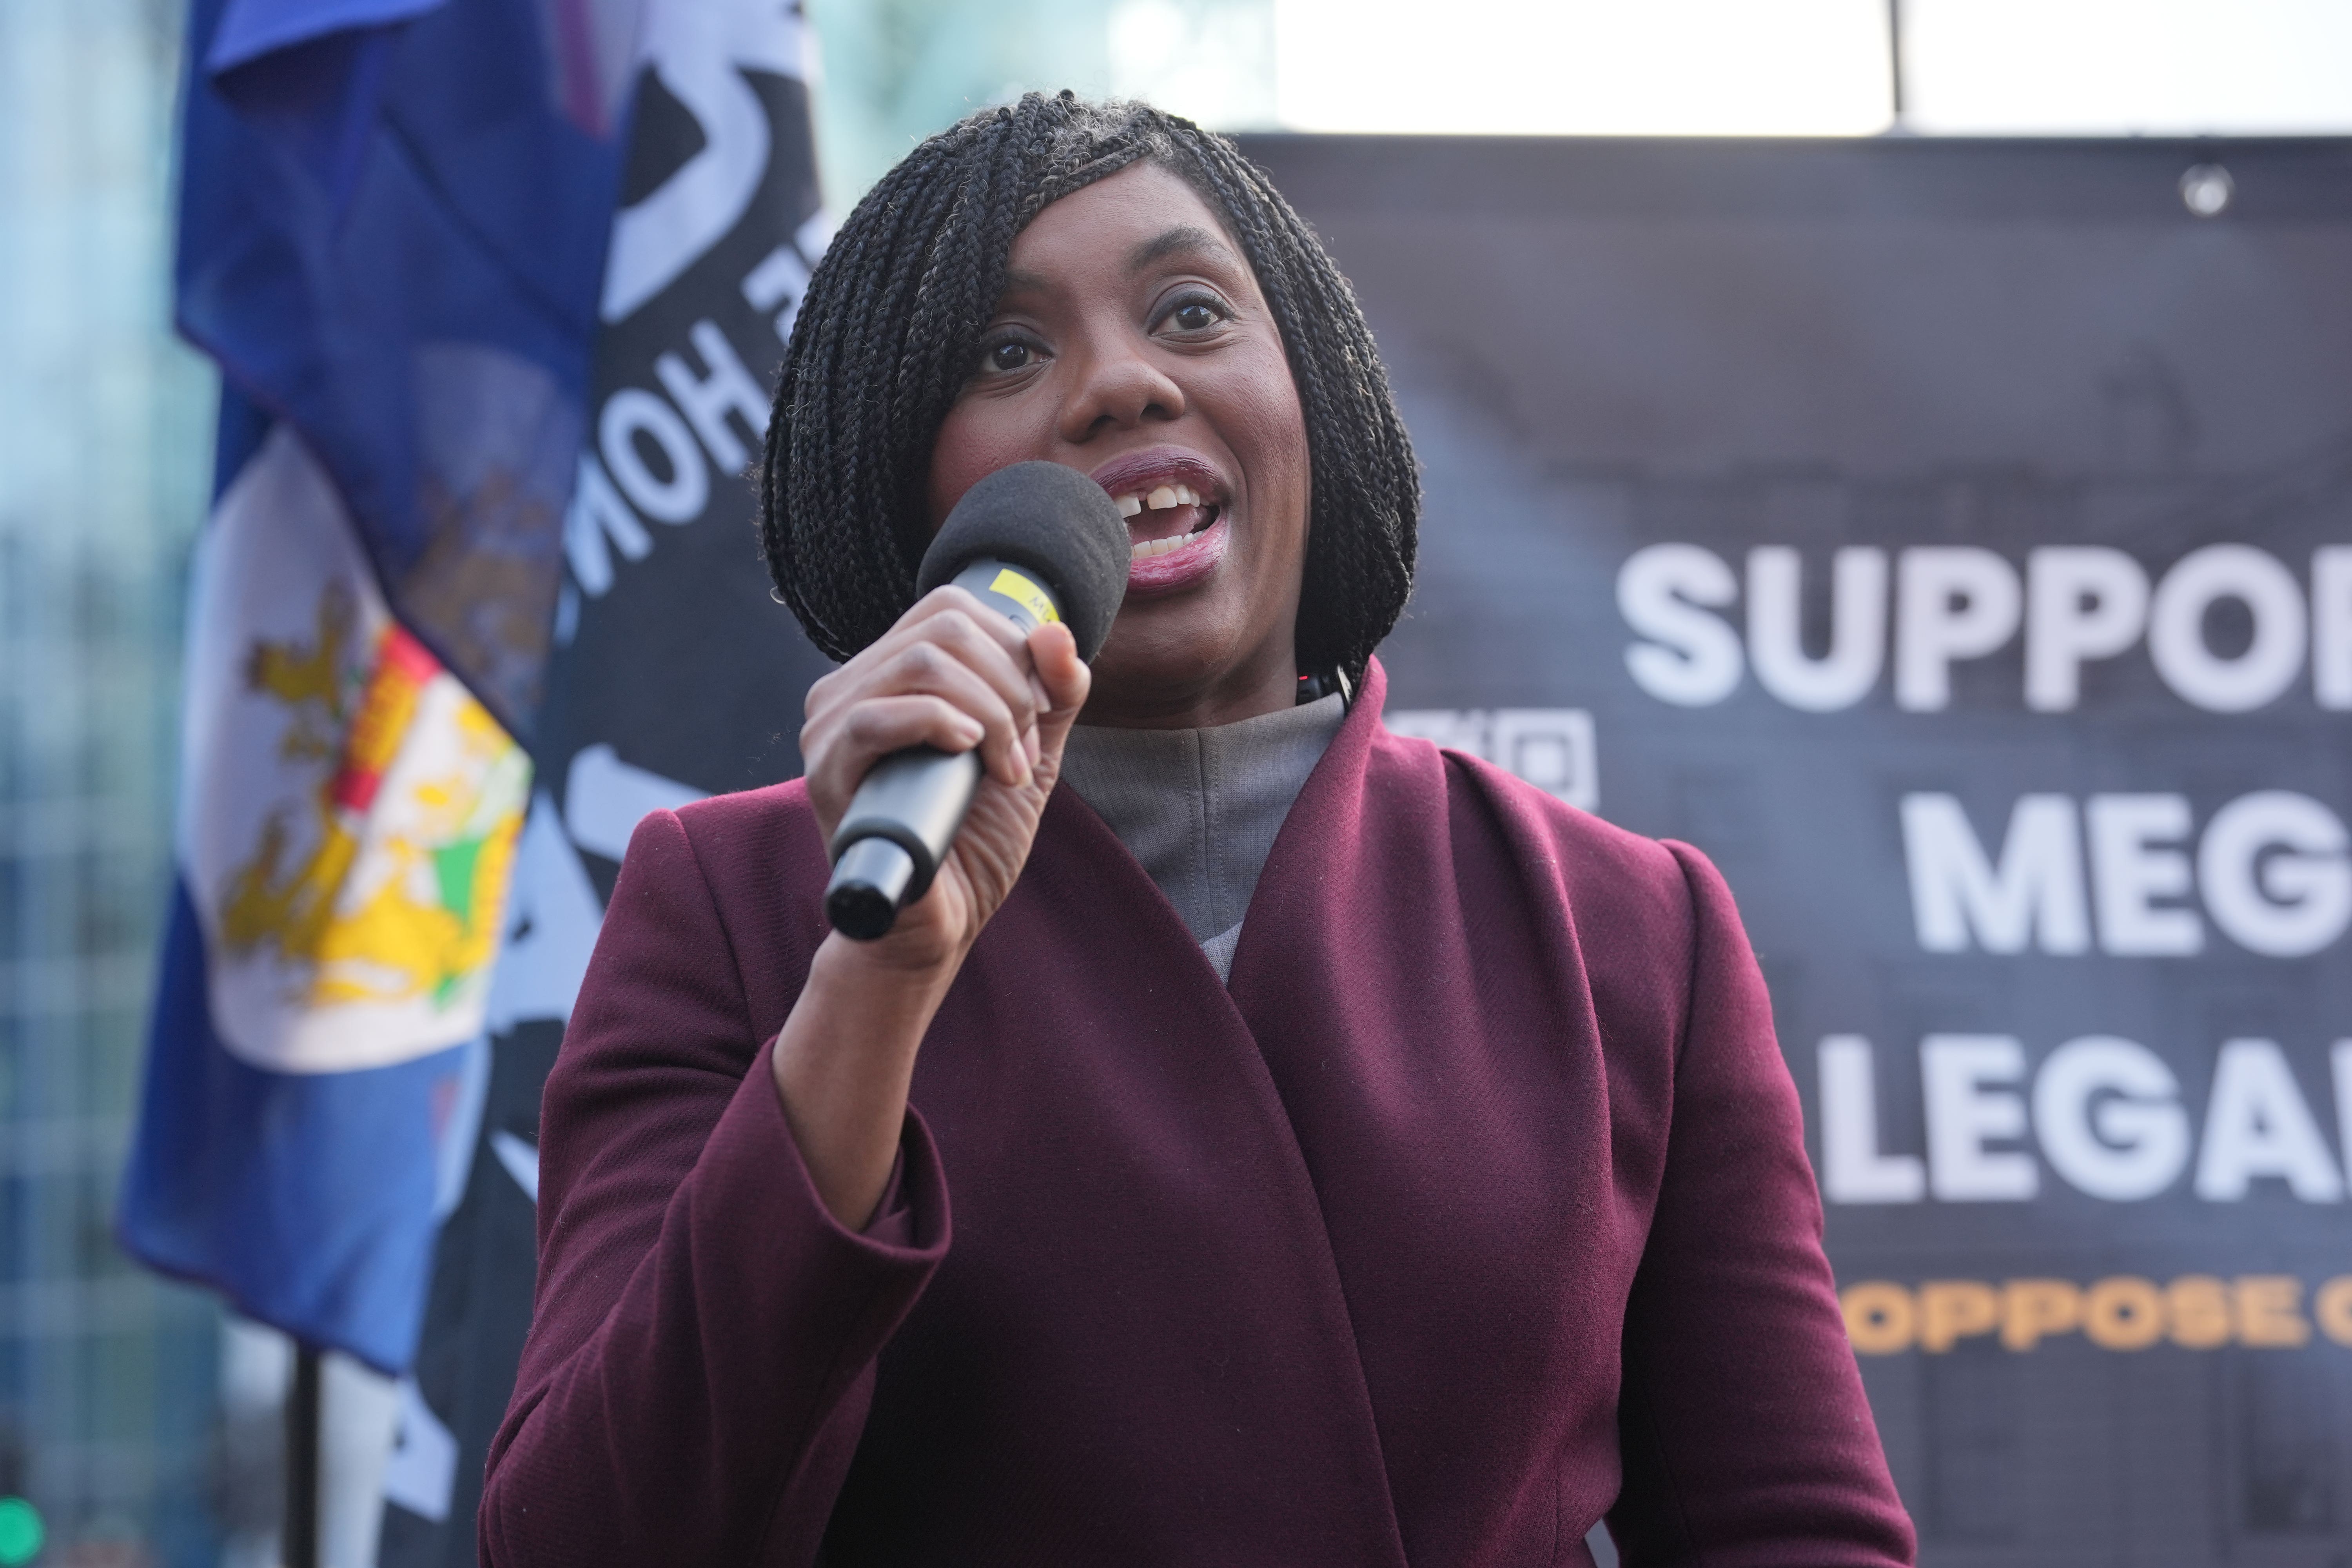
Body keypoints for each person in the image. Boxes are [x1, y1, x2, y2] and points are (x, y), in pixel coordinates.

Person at [479, 94, 1915, 1568]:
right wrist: (871, 993)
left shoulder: (1625, 923)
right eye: (1009, 351)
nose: (1119, 386)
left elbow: (1791, 1531)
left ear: (1318, 400)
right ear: (899, 474)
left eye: (1188, 311)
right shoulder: (733, 906)